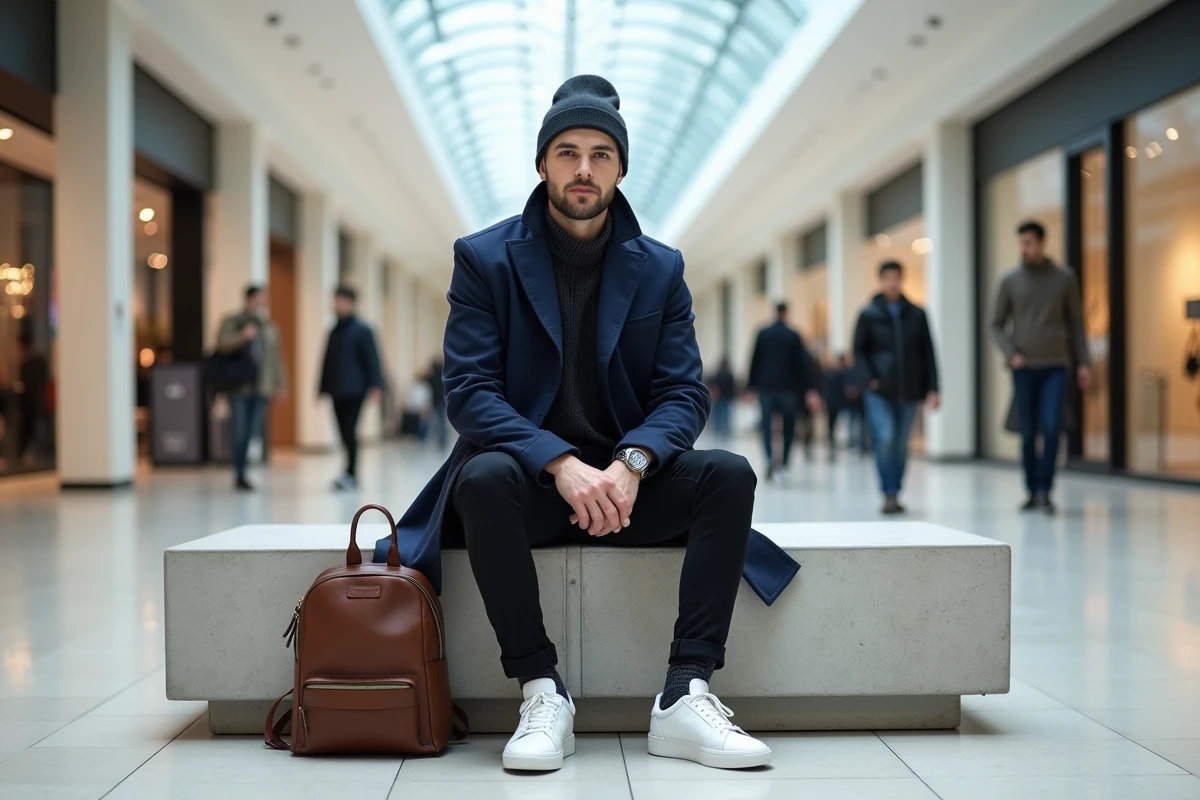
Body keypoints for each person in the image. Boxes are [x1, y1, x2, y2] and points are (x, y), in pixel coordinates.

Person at [373, 75, 799, 773]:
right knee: (479, 477)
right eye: (567, 152)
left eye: (601, 154)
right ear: (543, 164)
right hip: (533, 487)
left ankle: (685, 695)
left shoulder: (661, 269)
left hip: (630, 489)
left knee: (727, 473)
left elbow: (683, 394)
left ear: (621, 168)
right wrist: (560, 463)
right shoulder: (483, 259)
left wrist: (632, 465)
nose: (583, 169)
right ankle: (542, 692)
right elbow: (470, 394)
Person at [991, 220, 1090, 514]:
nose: (1024, 249)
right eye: (1021, 243)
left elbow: (1076, 323)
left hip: (1056, 366)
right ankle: (1031, 489)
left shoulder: (1064, 278)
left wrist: (1084, 362)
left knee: (1051, 426)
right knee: (1028, 430)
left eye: (1030, 243)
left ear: (1042, 243)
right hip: (1024, 367)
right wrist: (1010, 353)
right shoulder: (1009, 280)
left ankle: (1046, 489)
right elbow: (995, 324)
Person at [853, 261, 940, 514]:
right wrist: (869, 378)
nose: (892, 282)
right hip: (879, 390)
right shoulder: (868, 314)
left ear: (902, 279)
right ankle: (888, 492)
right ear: (880, 281)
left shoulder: (917, 314)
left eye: (896, 277)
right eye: (887, 278)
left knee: (901, 443)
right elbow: (859, 351)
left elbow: (928, 353)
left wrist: (933, 388)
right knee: (886, 437)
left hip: (911, 390)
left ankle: (896, 489)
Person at [215, 285, 287, 491]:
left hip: (260, 388)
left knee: (251, 431)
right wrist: (243, 336)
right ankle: (239, 472)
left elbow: (276, 359)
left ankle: (243, 470)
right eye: (259, 298)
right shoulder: (233, 321)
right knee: (239, 430)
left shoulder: (269, 326)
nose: (262, 302)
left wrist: (280, 385)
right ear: (249, 299)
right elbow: (222, 345)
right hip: (238, 387)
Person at [747, 302, 822, 481]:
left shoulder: (763, 333)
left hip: (767, 388)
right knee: (789, 426)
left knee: (766, 426)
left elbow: (754, 360)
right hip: (789, 388)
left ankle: (770, 460)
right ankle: (784, 464)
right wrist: (809, 389)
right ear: (786, 313)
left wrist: (750, 386)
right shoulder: (793, 335)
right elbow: (802, 365)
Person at [319, 285, 384, 491]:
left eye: (340, 300)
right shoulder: (333, 331)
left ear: (350, 303)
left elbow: (372, 359)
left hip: (356, 391)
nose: (337, 305)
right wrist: (321, 387)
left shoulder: (363, 330)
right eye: (335, 301)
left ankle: (351, 474)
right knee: (342, 432)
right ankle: (347, 472)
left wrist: (376, 385)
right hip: (336, 391)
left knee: (350, 431)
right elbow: (326, 361)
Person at [824, 354, 852, 460]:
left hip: (843, 405)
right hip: (832, 404)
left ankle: (840, 444)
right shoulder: (831, 374)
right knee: (831, 426)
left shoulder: (846, 374)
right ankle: (832, 445)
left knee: (843, 425)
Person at [706, 357, 736, 440]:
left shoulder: (718, 374)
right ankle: (726, 429)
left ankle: (717, 428)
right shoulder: (730, 375)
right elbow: (734, 386)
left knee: (718, 413)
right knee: (726, 413)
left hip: (719, 396)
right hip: (728, 396)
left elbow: (713, 384)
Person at [424, 359, 448, 450]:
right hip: (442, 402)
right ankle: (442, 442)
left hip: (435, 403)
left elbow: (423, 379)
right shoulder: (443, 377)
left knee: (433, 422)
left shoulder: (432, 377)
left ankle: (427, 441)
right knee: (441, 423)